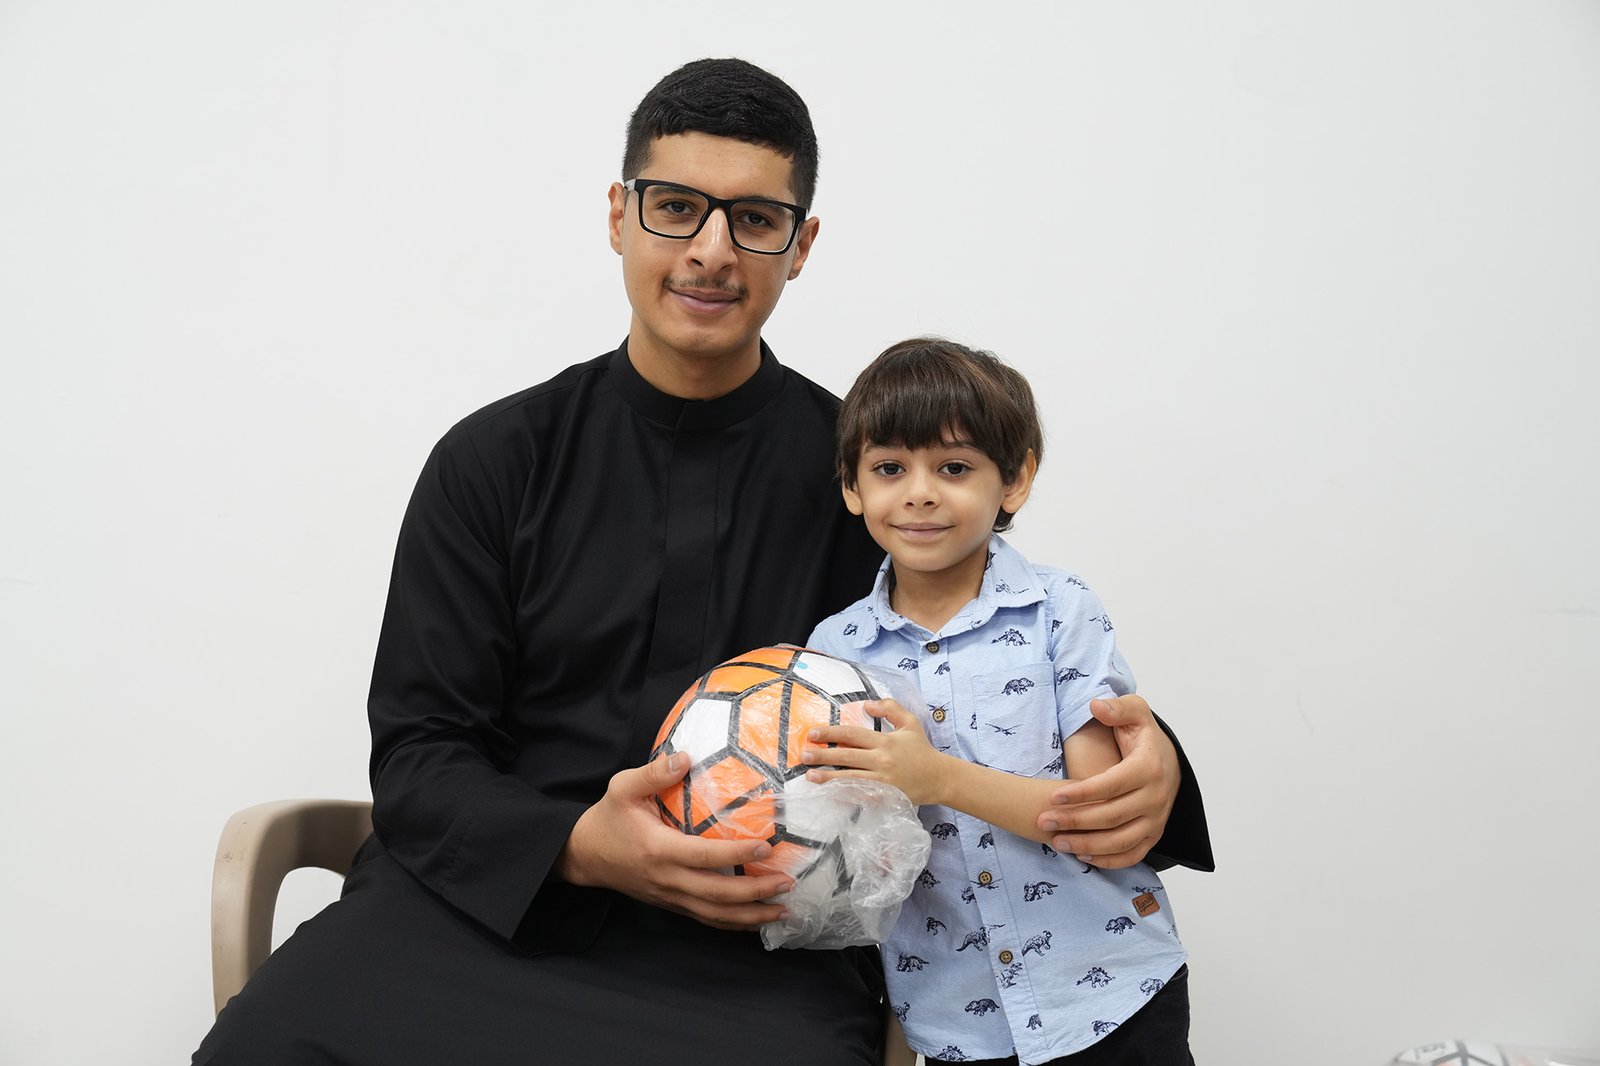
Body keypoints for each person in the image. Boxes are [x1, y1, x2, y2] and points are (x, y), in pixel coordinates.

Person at [194, 59, 1211, 1065]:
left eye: (755, 219)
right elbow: (421, 750)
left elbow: (989, 666)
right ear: (619, 216)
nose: (711, 252)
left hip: (760, 943)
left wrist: (1152, 767)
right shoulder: (492, 461)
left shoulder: (865, 482)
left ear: (800, 245)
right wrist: (581, 847)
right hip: (484, 911)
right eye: (676, 207)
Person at [802, 337, 1194, 1065]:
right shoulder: (833, 649)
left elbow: (1094, 814)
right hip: (957, 1020)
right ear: (852, 487)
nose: (920, 492)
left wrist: (936, 778)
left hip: (1109, 997)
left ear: (1014, 481)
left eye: (954, 468)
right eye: (889, 468)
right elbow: (853, 851)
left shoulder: (1061, 610)